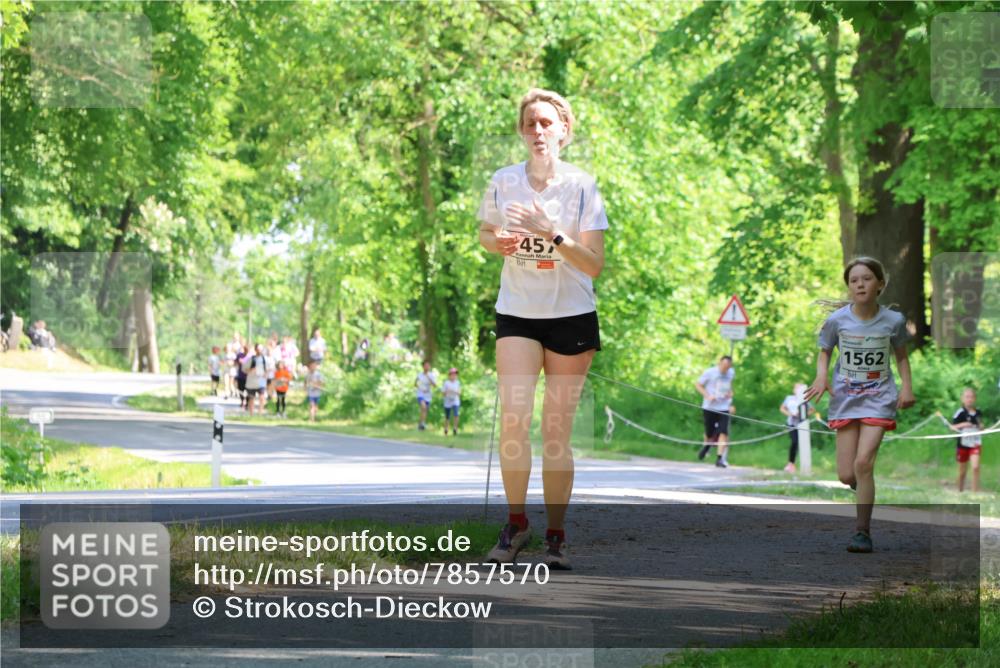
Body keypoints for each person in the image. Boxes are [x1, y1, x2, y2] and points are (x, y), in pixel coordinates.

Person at [477, 88, 608, 570]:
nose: (538, 131)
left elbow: (593, 264)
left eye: (547, 123)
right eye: (531, 123)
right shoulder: (503, 181)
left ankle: (556, 535)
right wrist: (501, 242)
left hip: (571, 314)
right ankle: (516, 523)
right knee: (514, 420)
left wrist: (549, 231)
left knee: (555, 431)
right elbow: (486, 233)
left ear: (564, 131)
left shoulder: (582, 187)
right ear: (521, 130)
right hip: (517, 311)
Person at [804, 256, 914, 554]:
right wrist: (821, 377)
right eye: (854, 280)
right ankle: (861, 488)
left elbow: (901, 356)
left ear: (880, 284)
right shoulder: (837, 320)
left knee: (864, 463)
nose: (860, 284)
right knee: (847, 474)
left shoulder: (893, 321)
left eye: (866, 278)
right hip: (846, 398)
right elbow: (825, 351)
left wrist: (906, 387)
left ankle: (862, 532)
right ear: (849, 287)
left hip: (879, 398)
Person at [696, 356, 736, 468]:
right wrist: (707, 396)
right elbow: (698, 385)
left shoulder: (731, 373)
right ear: (719, 363)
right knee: (710, 432)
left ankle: (719, 459)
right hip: (710, 406)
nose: (725, 369)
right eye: (723, 366)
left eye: (728, 367)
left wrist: (730, 394)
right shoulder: (710, 372)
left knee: (723, 431)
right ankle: (707, 447)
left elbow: (729, 386)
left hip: (724, 407)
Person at [779, 382, 820, 473]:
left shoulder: (804, 399)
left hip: (802, 424)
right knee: (794, 442)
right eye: (796, 388)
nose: (797, 390)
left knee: (804, 443)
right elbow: (782, 408)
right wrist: (790, 414)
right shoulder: (789, 398)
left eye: (799, 388)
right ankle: (791, 464)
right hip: (791, 423)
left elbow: (812, 410)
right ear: (794, 390)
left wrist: (803, 415)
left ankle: (805, 466)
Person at [949, 388, 985, 493]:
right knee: (962, 471)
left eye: (971, 397)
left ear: (975, 399)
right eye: (967, 397)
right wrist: (963, 425)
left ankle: (975, 492)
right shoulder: (960, 413)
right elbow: (952, 427)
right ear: (963, 399)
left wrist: (981, 426)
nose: (969, 399)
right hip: (963, 444)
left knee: (975, 467)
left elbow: (980, 425)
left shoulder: (978, 412)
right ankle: (960, 491)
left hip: (975, 443)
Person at [246, 343, 268, 417]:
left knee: (262, 397)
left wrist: (266, 374)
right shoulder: (251, 359)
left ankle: (260, 413)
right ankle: (251, 414)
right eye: (258, 349)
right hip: (252, 380)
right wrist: (251, 369)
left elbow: (268, 369)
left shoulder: (265, 359)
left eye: (261, 349)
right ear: (255, 350)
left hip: (261, 380)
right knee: (251, 397)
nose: (260, 351)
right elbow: (244, 369)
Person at [415, 361, 438, 430]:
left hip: (428, 395)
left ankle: (421, 424)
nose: (427, 367)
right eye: (425, 365)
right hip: (420, 394)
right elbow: (416, 384)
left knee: (424, 410)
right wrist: (421, 387)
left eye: (428, 365)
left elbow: (434, 385)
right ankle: (422, 424)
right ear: (423, 366)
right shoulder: (420, 375)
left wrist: (428, 377)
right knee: (423, 407)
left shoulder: (432, 375)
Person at [442, 367, 462, 435]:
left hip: (455, 401)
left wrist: (455, 391)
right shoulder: (446, 383)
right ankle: (446, 428)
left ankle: (455, 428)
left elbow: (459, 393)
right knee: (447, 416)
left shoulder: (458, 383)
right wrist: (448, 391)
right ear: (449, 375)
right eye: (452, 374)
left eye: (455, 374)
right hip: (448, 401)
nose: (454, 376)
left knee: (456, 414)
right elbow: (443, 393)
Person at [235, 344, 249, 410]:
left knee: (248, 390)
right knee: (240, 389)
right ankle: (242, 401)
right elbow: (236, 362)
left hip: (249, 377)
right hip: (240, 375)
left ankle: (247, 403)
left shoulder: (251, 356)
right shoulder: (240, 355)